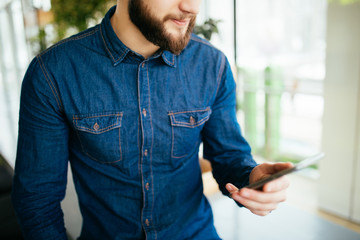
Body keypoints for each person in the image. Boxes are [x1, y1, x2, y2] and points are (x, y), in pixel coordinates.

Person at [12, 0, 292, 239]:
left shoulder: (211, 64)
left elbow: (229, 157)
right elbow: (37, 202)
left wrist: (252, 178)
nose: (192, 7)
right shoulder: (53, 73)